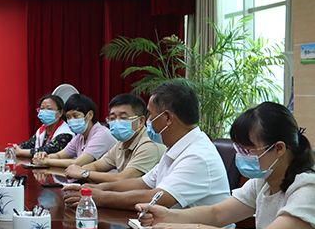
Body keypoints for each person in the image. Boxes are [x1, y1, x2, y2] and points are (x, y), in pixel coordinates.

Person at [138, 102, 315, 229]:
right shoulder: (262, 182)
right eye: (239, 149)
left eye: (247, 150)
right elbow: (217, 213)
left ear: (279, 148)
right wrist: (168, 215)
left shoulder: (308, 189)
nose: (242, 156)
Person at [62, 80, 229, 210]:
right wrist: (94, 189)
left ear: (167, 118)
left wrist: (99, 197)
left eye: (150, 115)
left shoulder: (197, 155)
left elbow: (157, 198)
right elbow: (142, 183)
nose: (148, 121)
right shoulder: (177, 147)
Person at [63, 93, 165, 183]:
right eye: (112, 118)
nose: (116, 122)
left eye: (123, 118)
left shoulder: (149, 145)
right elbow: (97, 165)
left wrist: (83, 173)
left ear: (141, 121)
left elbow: (123, 179)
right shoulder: (121, 143)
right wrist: (79, 170)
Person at [33, 93, 116, 168]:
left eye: (76, 116)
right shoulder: (80, 136)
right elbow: (59, 155)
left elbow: (78, 163)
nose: (71, 120)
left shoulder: (101, 134)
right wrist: (44, 156)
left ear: (90, 115)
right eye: (68, 117)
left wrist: (47, 161)